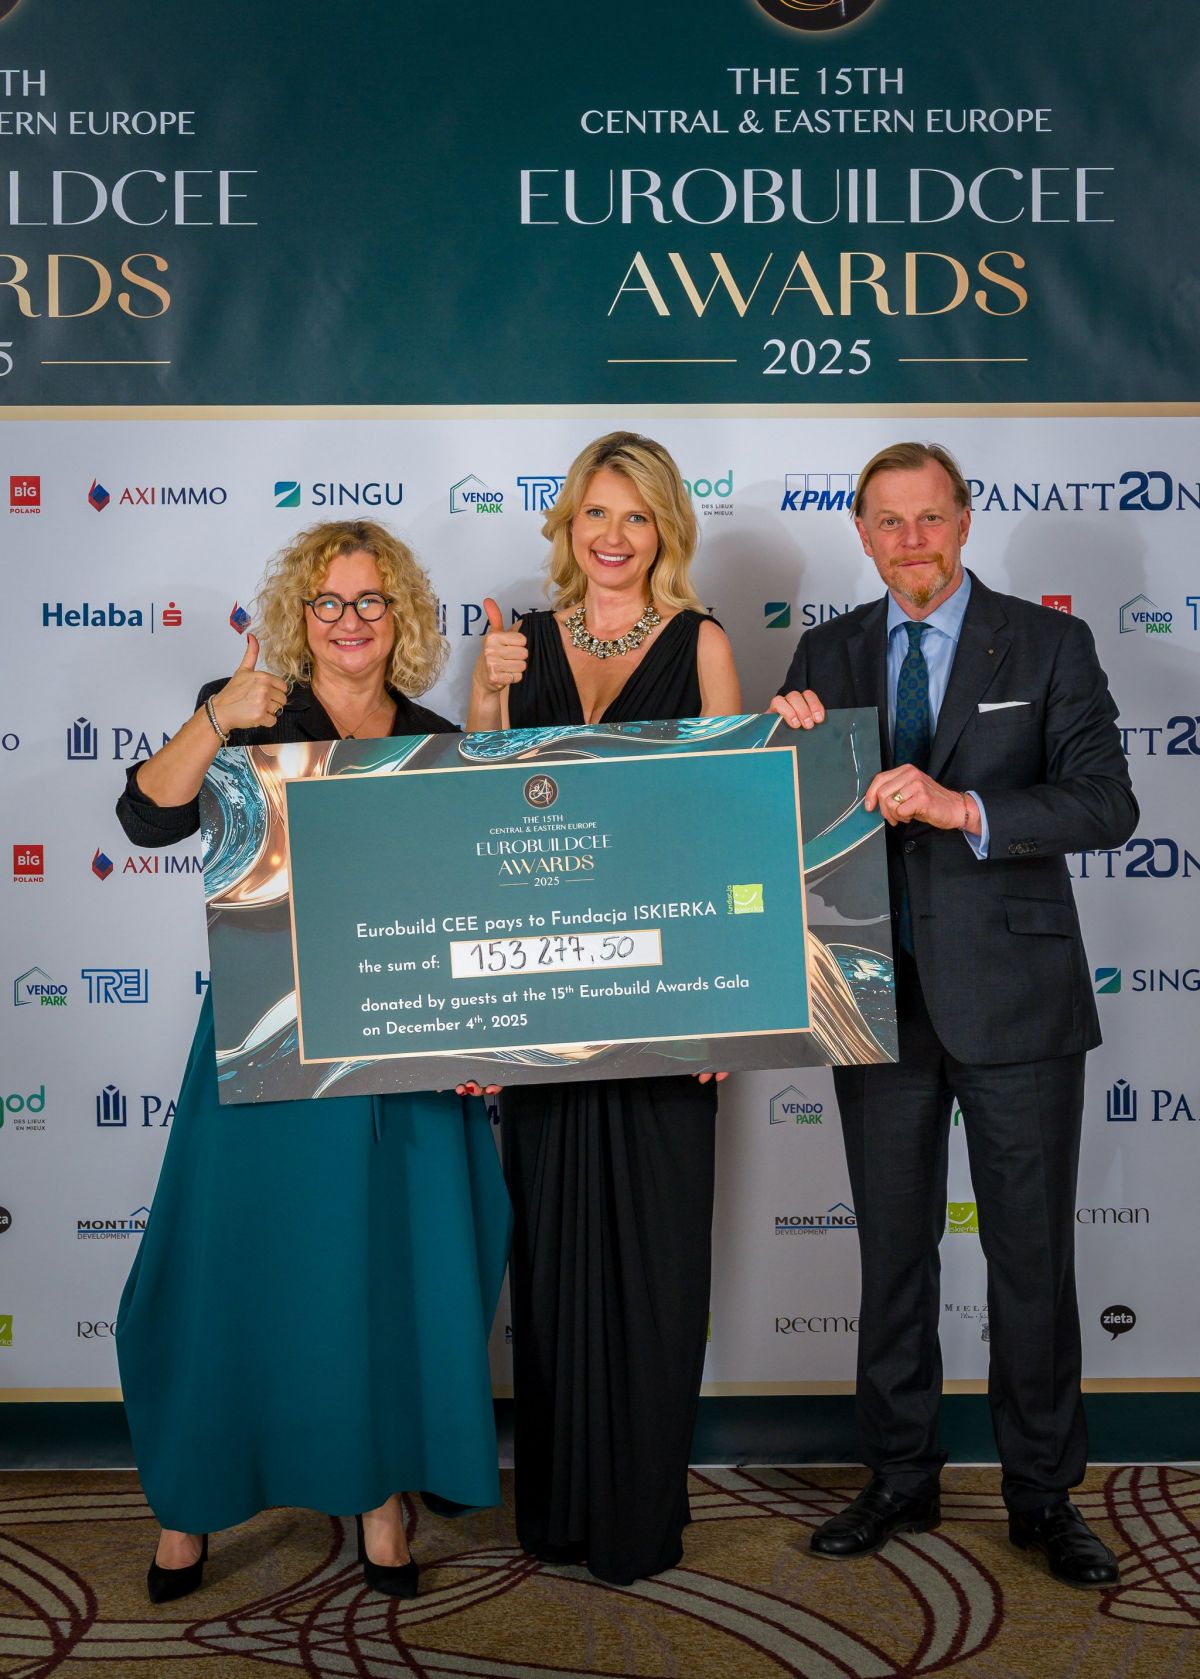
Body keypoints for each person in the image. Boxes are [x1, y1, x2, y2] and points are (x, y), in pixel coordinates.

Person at [115, 519, 511, 1603]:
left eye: (370, 600)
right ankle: (192, 1502)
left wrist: (479, 1034)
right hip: (267, 1032)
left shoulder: (430, 734)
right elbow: (145, 817)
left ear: (400, 615)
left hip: (402, 1038)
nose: (349, 621)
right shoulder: (249, 707)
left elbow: (470, 898)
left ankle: (380, 1494)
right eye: (328, 602)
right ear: (301, 615)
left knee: (389, 1273)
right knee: (231, 1267)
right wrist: (214, 717)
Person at [771, 442, 1137, 1589]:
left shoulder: (1048, 642)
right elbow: (790, 826)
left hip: (1017, 997)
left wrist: (963, 804)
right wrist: (777, 754)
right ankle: (899, 1474)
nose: (912, 541)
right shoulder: (825, 652)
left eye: (930, 517)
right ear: (861, 533)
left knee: (1031, 1255)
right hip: (873, 993)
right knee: (892, 1253)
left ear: (966, 521)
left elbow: (1106, 803)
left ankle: (1044, 1494)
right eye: (889, 522)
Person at [467, 431, 742, 1584]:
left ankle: (637, 1516)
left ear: (664, 526)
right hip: (547, 995)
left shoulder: (703, 641)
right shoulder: (516, 642)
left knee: (658, 1262)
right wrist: (485, 692)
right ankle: (561, 1510)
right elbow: (477, 816)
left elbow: (731, 819)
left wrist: (732, 1001)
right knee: (555, 1259)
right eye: (596, 513)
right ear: (568, 523)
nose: (614, 536)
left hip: (671, 1000)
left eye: (635, 515)